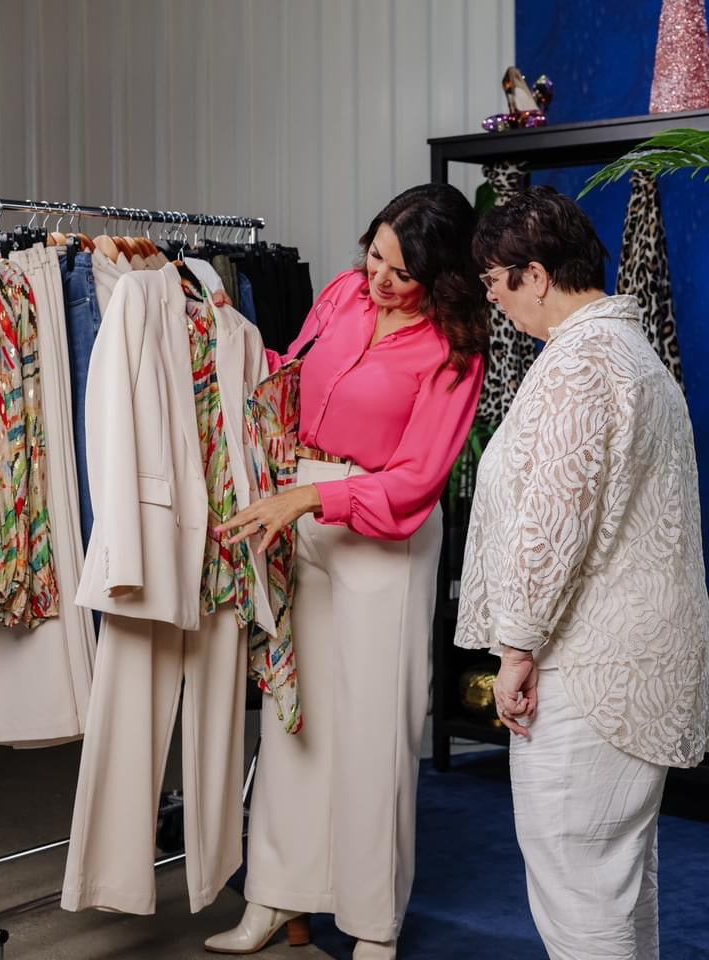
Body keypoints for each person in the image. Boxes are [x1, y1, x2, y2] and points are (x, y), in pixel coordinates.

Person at [205, 183, 488, 959]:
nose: (381, 280)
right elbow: (288, 376)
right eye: (375, 257)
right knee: (293, 717)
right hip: (300, 512)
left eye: (402, 272)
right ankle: (277, 895)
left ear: (442, 275)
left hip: (381, 537)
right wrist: (227, 335)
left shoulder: (454, 350)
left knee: (374, 731)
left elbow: (417, 480)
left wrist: (312, 496)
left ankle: (373, 923)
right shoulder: (340, 295)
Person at [455, 185, 709, 960]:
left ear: (535, 275)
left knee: (578, 889)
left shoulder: (582, 363)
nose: (494, 301)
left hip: (589, 669)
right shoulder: (628, 352)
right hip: (627, 662)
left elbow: (554, 523)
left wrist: (516, 649)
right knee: (616, 886)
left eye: (495, 283)